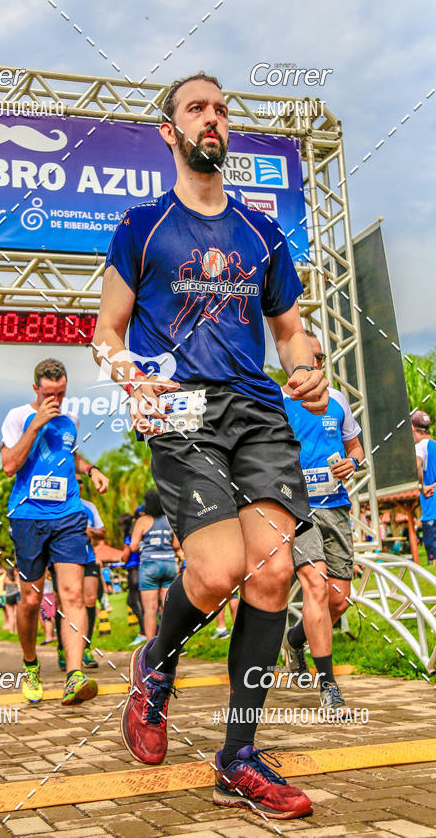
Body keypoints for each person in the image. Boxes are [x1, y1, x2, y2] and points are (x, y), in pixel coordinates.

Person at [93, 72, 328, 820]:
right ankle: (154, 666)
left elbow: (290, 332)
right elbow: (106, 333)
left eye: (222, 109)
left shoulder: (262, 232)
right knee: (221, 569)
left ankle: (238, 758)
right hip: (180, 410)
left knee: (273, 573)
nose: (213, 118)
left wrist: (306, 370)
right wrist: (132, 379)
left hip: (256, 410)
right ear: (170, 131)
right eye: (197, 108)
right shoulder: (142, 226)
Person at [1, 357, 109, 706]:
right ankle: (30, 665)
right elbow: (9, 465)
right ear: (36, 388)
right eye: (49, 394)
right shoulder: (18, 417)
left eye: (61, 393)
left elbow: (69, 454)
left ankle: (74, 675)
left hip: (68, 514)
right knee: (31, 599)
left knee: (72, 595)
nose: (56, 400)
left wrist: (91, 469)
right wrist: (35, 426)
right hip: (28, 516)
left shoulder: (71, 419)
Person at [282, 330, 365, 712]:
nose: (314, 364)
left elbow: (355, 446)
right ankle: (329, 686)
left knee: (339, 600)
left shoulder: (337, 400)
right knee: (315, 585)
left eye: (319, 358)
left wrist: (354, 462)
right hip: (298, 509)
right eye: (308, 358)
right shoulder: (277, 402)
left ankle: (294, 639)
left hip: (336, 505)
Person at [129, 489, 180, 640]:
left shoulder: (142, 521)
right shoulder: (169, 519)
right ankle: (171, 644)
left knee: (150, 609)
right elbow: (176, 544)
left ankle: (151, 644)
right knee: (168, 608)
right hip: (169, 564)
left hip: (149, 565)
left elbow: (133, 546)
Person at [79, 477, 106, 669]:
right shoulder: (57, 504)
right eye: (75, 480)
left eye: (81, 481)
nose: (78, 484)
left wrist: (92, 532)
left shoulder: (89, 506)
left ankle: (86, 648)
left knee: (90, 600)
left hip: (87, 559)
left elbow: (102, 532)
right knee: (66, 604)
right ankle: (63, 648)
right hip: (63, 560)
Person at [413, 410, 436, 566]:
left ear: (413, 428)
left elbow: (417, 465)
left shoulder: (420, 447)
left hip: (431, 508)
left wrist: (421, 487)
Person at [120, 512, 146, 645]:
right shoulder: (139, 534)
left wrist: (122, 558)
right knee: (135, 601)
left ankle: (144, 632)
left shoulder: (128, 537)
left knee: (134, 602)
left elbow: (126, 556)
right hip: (141, 569)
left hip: (133, 570)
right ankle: (147, 629)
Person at [3, 565, 21, 634]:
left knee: (10, 614)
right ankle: (16, 630)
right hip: (16, 596)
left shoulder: (6, 579)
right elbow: (18, 586)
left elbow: (4, 588)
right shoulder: (16, 578)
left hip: (9, 597)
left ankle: (11, 630)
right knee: (15, 614)